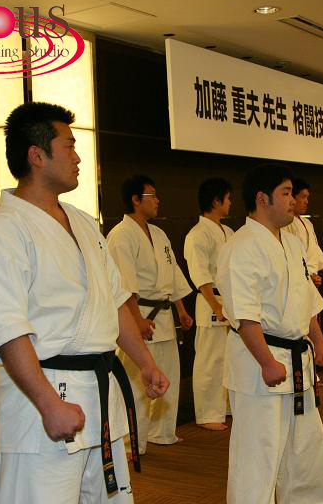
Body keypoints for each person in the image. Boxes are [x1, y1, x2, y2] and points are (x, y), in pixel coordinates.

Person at [0, 102, 169, 503]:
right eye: (70, 146)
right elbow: (7, 328)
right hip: (42, 398)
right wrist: (47, 403)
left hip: (99, 395)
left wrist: (145, 362)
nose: (78, 158)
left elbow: (112, 301)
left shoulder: (83, 222)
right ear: (36, 155)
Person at [216, 164, 323, 504]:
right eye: (286, 193)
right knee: (258, 456)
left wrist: (318, 340)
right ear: (262, 198)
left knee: (305, 450)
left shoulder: (293, 243)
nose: (293, 200)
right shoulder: (241, 246)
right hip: (259, 364)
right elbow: (244, 315)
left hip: (297, 360)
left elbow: (305, 296)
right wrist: (266, 361)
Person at [106, 175, 194, 455]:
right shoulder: (121, 235)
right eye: (151, 195)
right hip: (138, 314)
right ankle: (131, 441)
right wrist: (136, 321)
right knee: (137, 383)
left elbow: (172, 273)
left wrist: (181, 310)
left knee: (169, 375)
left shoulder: (159, 234)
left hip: (164, 315)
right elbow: (124, 284)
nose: (157, 200)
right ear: (135, 200)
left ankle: (162, 432)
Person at [184, 177, 234, 431]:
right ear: (216, 201)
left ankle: (226, 407)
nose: (230, 203)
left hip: (230, 300)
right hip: (210, 300)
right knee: (210, 360)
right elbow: (199, 274)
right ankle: (207, 414)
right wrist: (215, 305)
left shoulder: (229, 232)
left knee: (229, 358)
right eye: (227, 198)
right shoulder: (197, 234)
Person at [283, 178, 323, 288]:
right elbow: (289, 257)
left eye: (307, 197)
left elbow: (315, 251)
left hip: (312, 278)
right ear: (292, 197)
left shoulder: (307, 223)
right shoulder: (286, 224)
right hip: (297, 281)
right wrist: (304, 276)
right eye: (303, 197)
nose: (306, 201)